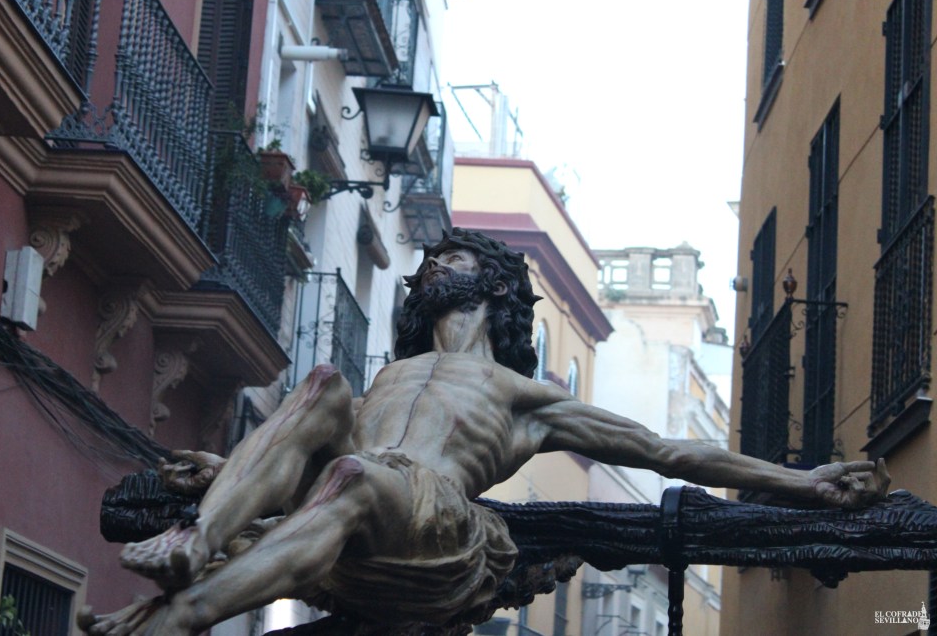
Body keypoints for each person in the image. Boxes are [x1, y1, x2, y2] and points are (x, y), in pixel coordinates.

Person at [79, 228, 890, 635]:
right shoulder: (388, 376)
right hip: (355, 506)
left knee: (358, 475)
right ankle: (196, 540)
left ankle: (181, 618)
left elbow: (667, 450)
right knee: (323, 388)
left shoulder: (522, 395)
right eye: (433, 257)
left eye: (454, 256)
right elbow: (307, 466)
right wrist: (227, 471)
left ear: (494, 286)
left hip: (437, 531)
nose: (434, 263)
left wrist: (801, 482)